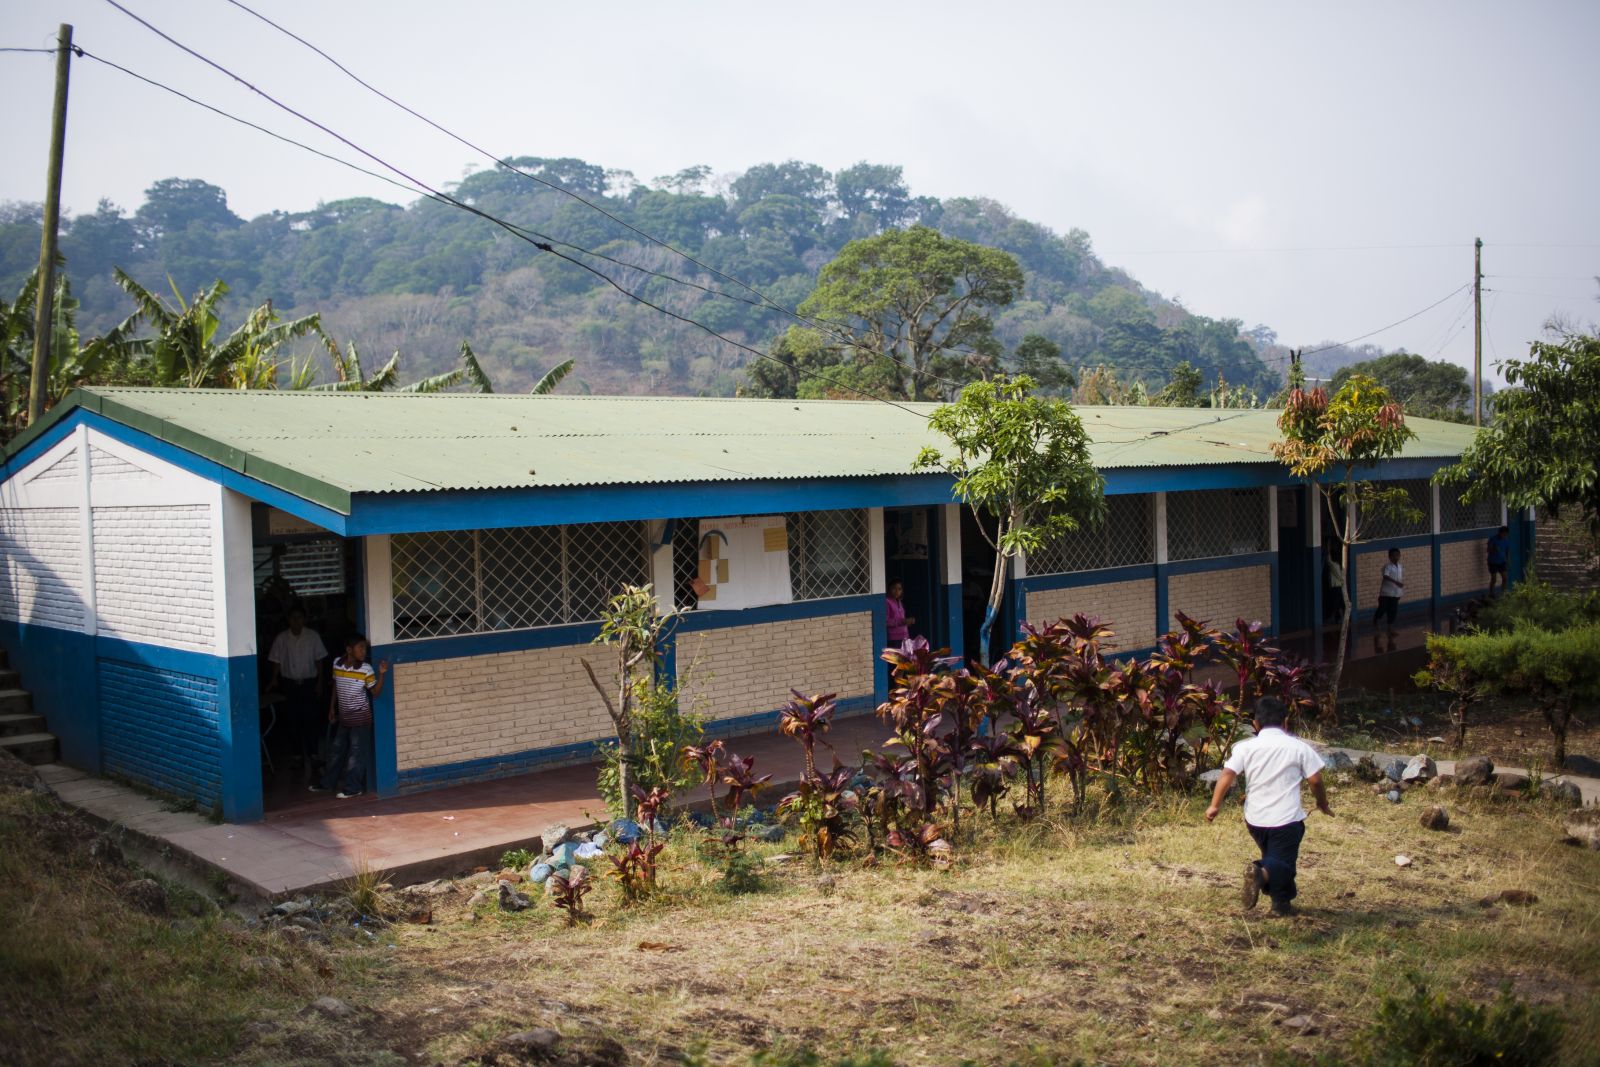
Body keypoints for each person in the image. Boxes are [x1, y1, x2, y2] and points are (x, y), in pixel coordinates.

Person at [1205, 697, 1332, 917]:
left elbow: (1227, 774)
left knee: (1276, 857)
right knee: (1282, 862)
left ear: (1255, 723)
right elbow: (1315, 780)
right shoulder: (1298, 747)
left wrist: (1214, 805)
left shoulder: (1246, 747)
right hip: (1287, 819)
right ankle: (1260, 874)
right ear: (1285, 722)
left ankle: (1280, 904)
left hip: (1255, 819)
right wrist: (1322, 802)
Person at [312, 634, 389, 799]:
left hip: (360, 718)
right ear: (349, 650)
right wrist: (332, 708)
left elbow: (375, 692)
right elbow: (336, 686)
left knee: (356, 754)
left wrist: (382, 674)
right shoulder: (337, 664)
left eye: (364, 648)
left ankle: (353, 787)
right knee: (336, 750)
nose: (363, 651)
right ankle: (327, 783)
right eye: (360, 647)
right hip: (344, 717)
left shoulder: (366, 669)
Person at [266, 605, 328, 778]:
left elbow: (319, 661)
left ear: (304, 619)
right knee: (292, 721)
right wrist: (273, 679)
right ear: (288, 619)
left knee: (311, 720)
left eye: (299, 617)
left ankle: (314, 754)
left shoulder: (312, 636)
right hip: (289, 684)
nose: (296, 621)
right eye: (293, 617)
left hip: (309, 683)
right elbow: (276, 661)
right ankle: (297, 756)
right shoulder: (282, 638)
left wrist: (320, 683)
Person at [1373, 547, 1404, 634]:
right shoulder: (1387, 566)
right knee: (1383, 608)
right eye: (1394, 555)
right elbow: (1385, 576)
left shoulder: (1400, 567)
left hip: (1396, 593)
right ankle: (1376, 620)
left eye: (1398, 555)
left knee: (1393, 610)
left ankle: (1390, 627)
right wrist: (1396, 582)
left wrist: (1399, 588)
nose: (1396, 557)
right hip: (1386, 593)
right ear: (1390, 557)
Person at [885, 579, 915, 647]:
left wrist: (908, 622)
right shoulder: (887, 602)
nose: (897, 591)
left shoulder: (899, 601)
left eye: (899, 589)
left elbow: (901, 619)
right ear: (889, 589)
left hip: (904, 637)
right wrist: (902, 621)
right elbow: (886, 622)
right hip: (894, 639)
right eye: (894, 588)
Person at [1486, 525, 1510, 596]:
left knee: (1505, 578)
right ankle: (1491, 593)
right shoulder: (1493, 539)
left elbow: (1507, 551)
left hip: (1502, 562)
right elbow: (1488, 550)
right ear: (1500, 533)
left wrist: (1508, 560)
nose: (1504, 536)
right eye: (1503, 534)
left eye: (1505, 534)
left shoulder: (1506, 540)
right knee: (1494, 579)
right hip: (1493, 562)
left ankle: (1503, 593)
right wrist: (1494, 549)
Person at [1324, 556, 1345, 622]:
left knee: (1336, 602)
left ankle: (1335, 617)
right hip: (1339, 586)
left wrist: (1328, 550)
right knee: (1338, 602)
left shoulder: (1333, 565)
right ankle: (1340, 617)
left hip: (1335, 586)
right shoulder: (1338, 566)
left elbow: (1328, 560)